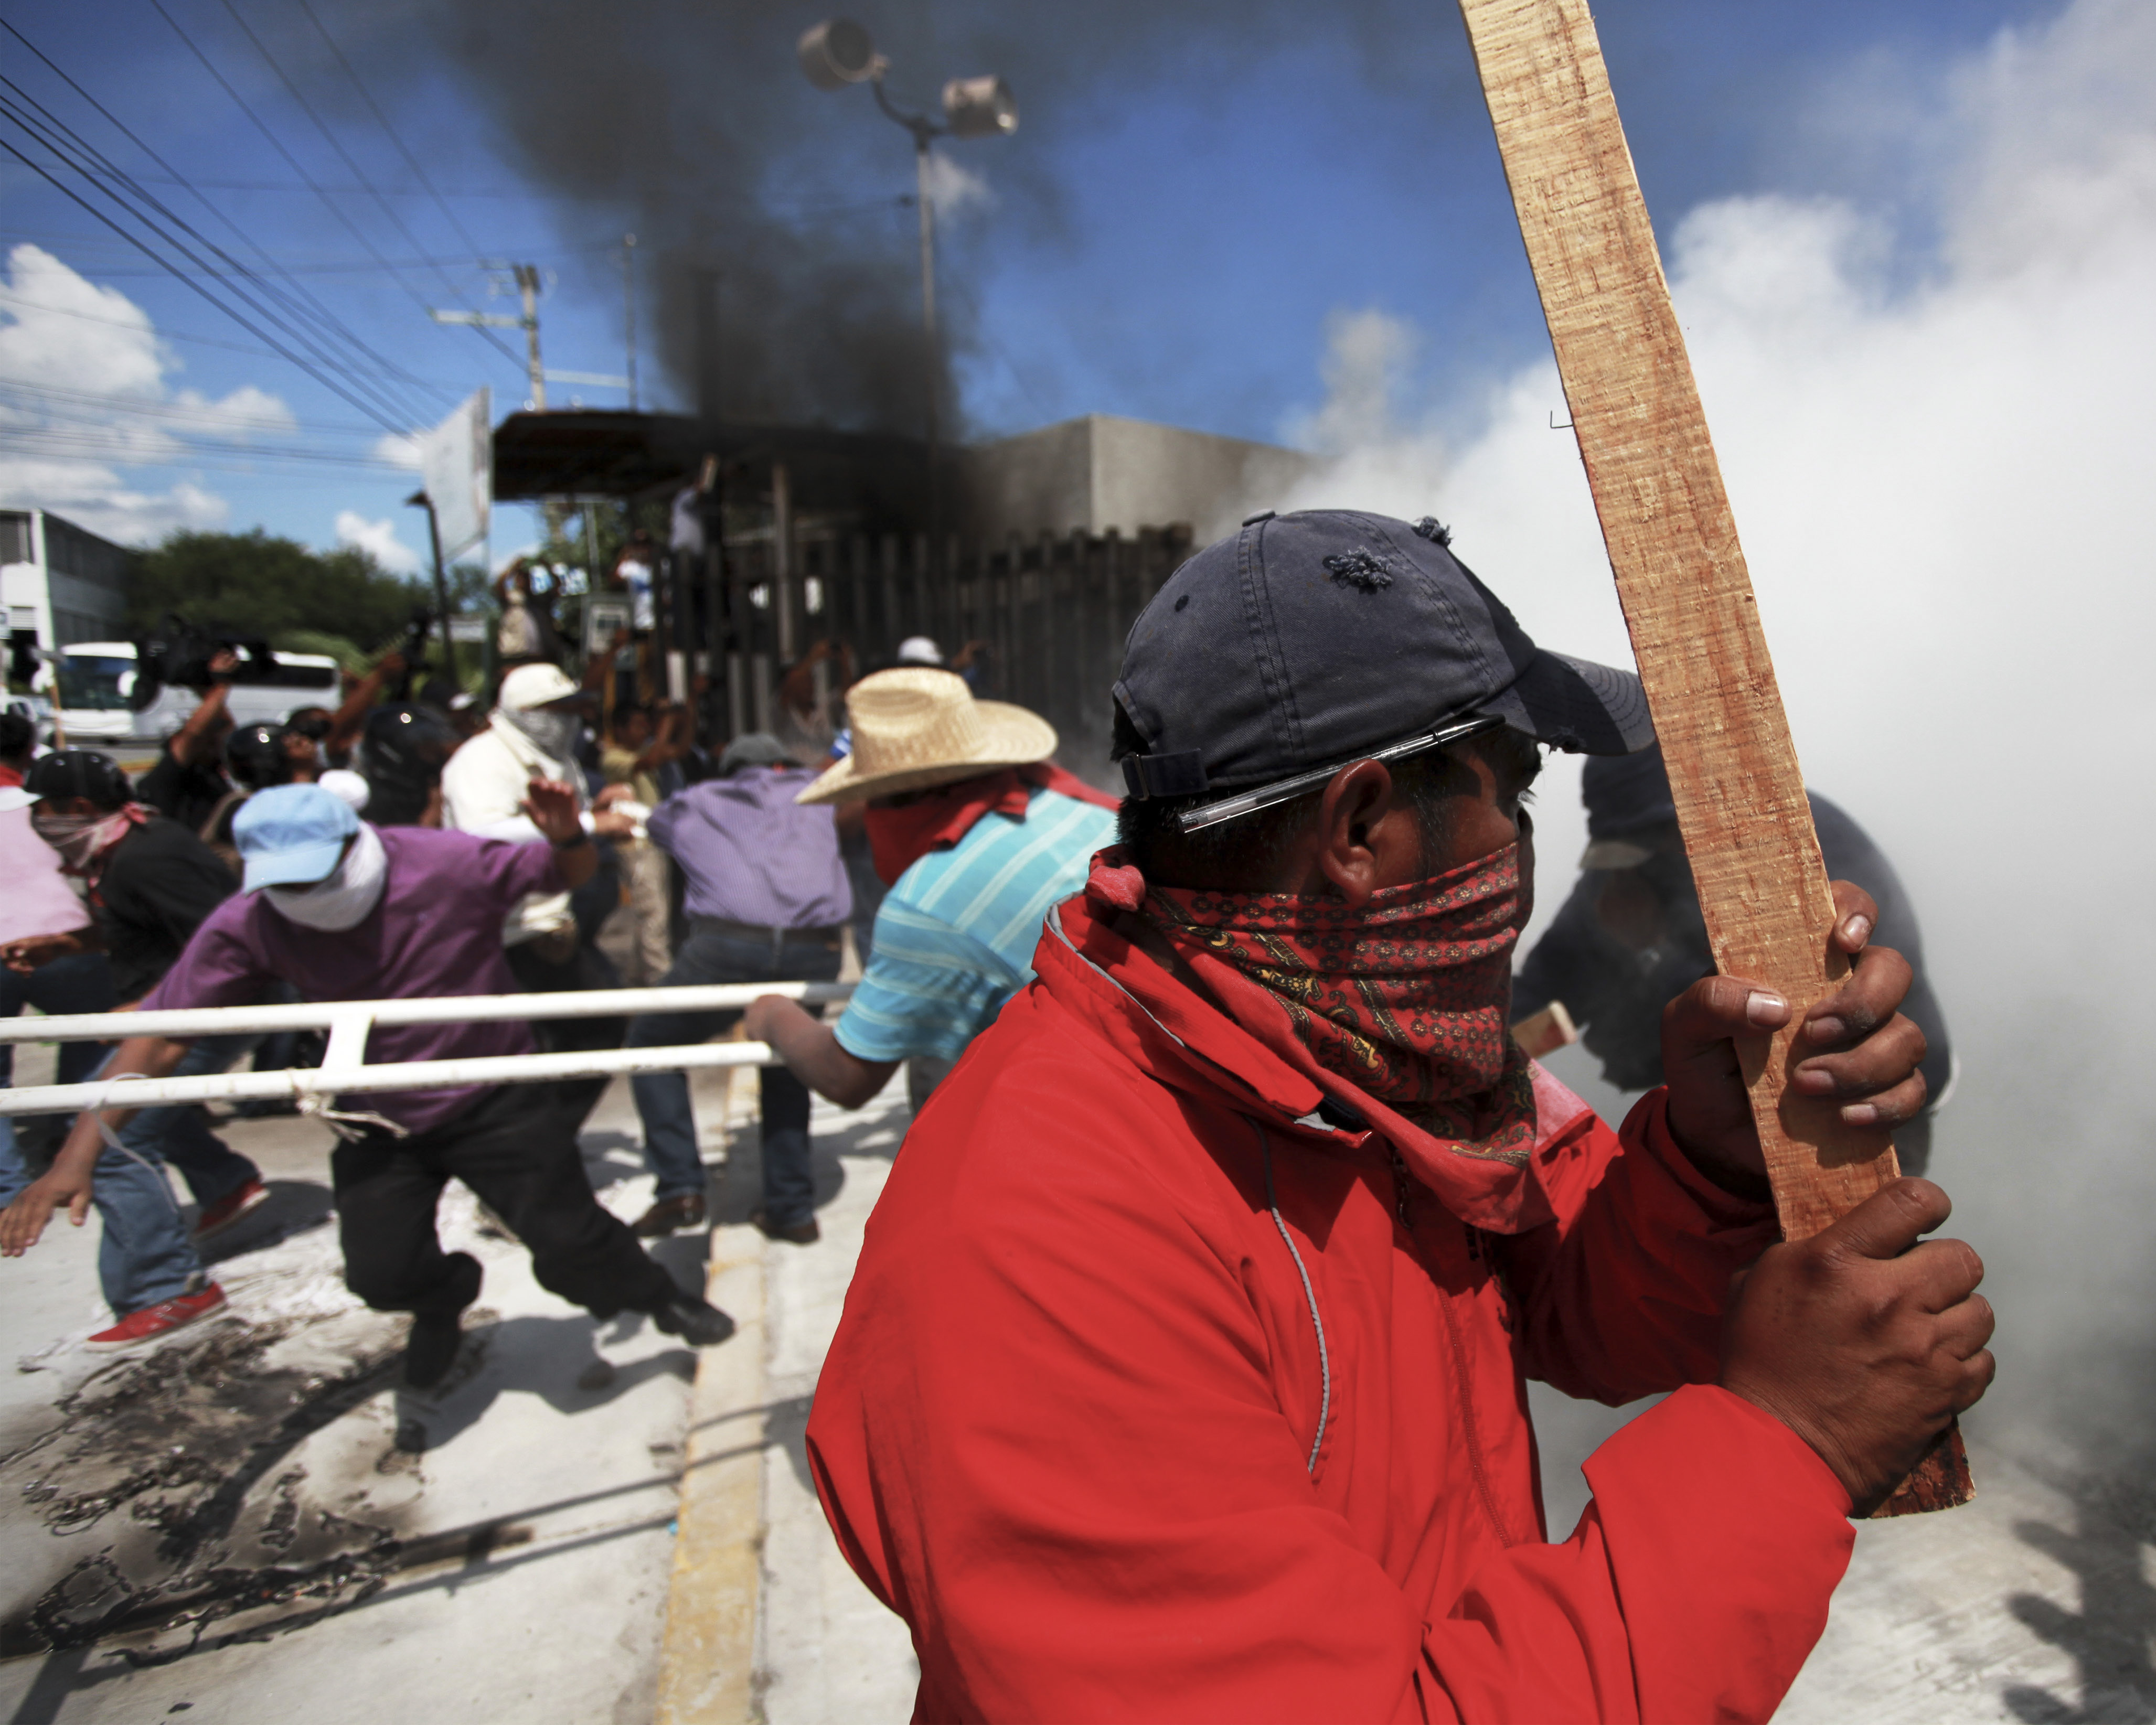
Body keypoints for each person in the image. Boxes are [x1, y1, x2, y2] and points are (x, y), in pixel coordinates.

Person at [797, 511, 1990, 1720]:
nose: (1523, 854)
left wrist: (1709, 1166)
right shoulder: (1036, 1243)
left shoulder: (1360, 1045)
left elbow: (1568, 1300)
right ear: (1363, 831)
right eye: (1511, 796)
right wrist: (1782, 1450)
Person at [0, 783, 738, 1410]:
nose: (305, 899)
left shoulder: (444, 863)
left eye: (316, 877)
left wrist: (571, 833)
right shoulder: (252, 920)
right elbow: (163, 1037)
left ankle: (657, 1297)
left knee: (571, 1242)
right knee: (379, 1273)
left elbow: (569, 873)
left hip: (489, 1093)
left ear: (357, 843)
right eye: (285, 885)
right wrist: (79, 1152)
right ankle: (443, 1298)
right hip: (374, 1116)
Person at [1512, 742, 1955, 1174]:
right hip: (1735, 1112)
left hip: (1873, 1095)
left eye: (1659, 843)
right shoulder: (1629, 866)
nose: (1635, 866)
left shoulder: (1802, 847)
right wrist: (1479, 1050)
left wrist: (1642, 986)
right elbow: (1554, 985)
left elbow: (1774, 1023)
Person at [742, 666, 1117, 1117]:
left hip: (1100, 1115)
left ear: (888, 800)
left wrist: (771, 1014)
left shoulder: (927, 903)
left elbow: (846, 1077)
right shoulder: (1072, 805)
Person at [0, 751, 273, 1345]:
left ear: (75, 810)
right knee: (144, 1115)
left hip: (207, 1013)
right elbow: (146, 926)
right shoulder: (120, 853)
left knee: (111, 1137)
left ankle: (165, 1288)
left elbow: (228, 943)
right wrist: (65, 946)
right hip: (180, 1008)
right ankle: (226, 1182)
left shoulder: (147, 858)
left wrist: (147, 1004)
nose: (36, 827)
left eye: (41, 814)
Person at [624, 735, 851, 1243]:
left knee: (650, 1045)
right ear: (781, 763)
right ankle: (792, 1210)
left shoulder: (699, 801)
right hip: (814, 950)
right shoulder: (819, 792)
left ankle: (679, 1188)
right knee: (788, 1061)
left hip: (727, 947)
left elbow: (653, 828)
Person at [443, 662, 628, 1106]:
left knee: (593, 1029)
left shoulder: (559, 761)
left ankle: (548, 1132)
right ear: (521, 712)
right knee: (524, 1046)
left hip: (552, 921)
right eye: (554, 710)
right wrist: (588, 823)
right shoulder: (481, 759)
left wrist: (594, 806)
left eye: (573, 709)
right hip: (503, 931)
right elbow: (483, 832)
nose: (567, 720)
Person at [595, 691, 692, 986]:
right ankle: (663, 983)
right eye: (638, 725)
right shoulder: (614, 758)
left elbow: (680, 748)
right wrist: (667, 723)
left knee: (651, 912)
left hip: (653, 843)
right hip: (635, 846)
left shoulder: (640, 754)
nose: (645, 731)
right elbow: (655, 758)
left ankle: (639, 977)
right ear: (620, 730)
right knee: (654, 916)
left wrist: (684, 715)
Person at [135, 646, 237, 833]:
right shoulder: (167, 776)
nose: (215, 742)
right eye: (209, 739)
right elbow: (194, 735)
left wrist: (203, 687)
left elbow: (225, 728)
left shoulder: (213, 772)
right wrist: (222, 685)